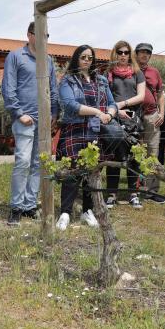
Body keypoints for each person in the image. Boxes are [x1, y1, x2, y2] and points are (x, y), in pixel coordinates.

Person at [1, 22, 58, 226]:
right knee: (23, 162)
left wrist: (54, 113)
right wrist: (18, 113)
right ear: (29, 34)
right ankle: (16, 207)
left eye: (47, 35)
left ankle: (29, 205)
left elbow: (53, 88)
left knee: (37, 164)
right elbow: (8, 88)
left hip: (44, 121)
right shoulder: (16, 56)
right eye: (40, 35)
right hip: (25, 119)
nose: (44, 39)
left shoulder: (48, 61)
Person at [55, 45, 118, 230]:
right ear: (76, 59)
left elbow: (112, 103)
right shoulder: (68, 80)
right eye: (83, 57)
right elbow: (70, 104)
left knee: (92, 171)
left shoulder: (101, 80)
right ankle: (65, 212)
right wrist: (98, 112)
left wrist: (111, 114)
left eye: (90, 58)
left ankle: (87, 210)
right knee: (72, 171)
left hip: (95, 129)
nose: (87, 60)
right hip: (74, 128)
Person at [105, 40, 146, 209]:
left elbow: (141, 96)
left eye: (126, 52)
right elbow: (105, 96)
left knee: (134, 157)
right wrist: (115, 109)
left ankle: (133, 194)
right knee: (113, 156)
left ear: (130, 55)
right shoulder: (108, 73)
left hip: (133, 118)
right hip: (114, 118)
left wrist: (122, 104)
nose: (123, 55)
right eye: (120, 52)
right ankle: (111, 194)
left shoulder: (137, 73)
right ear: (115, 53)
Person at [134, 43, 165, 203]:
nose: (145, 55)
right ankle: (135, 190)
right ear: (136, 54)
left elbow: (161, 94)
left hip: (152, 115)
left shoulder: (155, 72)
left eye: (148, 53)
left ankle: (152, 192)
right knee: (135, 153)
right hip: (133, 117)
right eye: (142, 52)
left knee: (153, 153)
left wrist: (161, 112)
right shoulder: (129, 70)